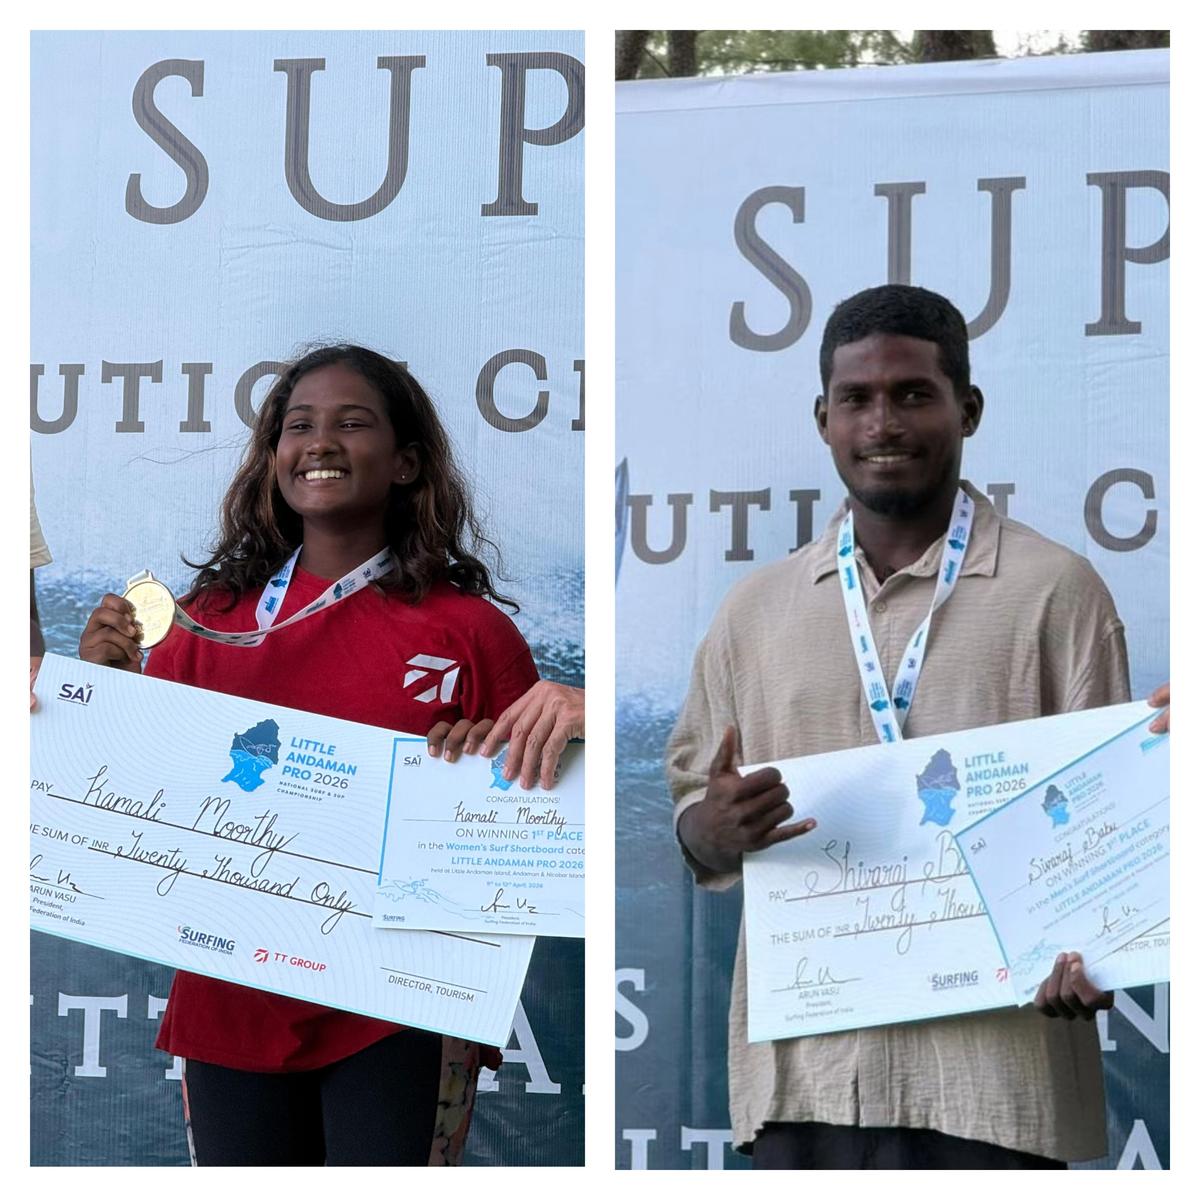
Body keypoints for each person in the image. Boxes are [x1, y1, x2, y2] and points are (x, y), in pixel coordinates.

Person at [668, 285, 1146, 1169]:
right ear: (823, 418)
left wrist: (1093, 952)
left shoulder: (1056, 591)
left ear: (968, 408)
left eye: (913, 394)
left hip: (998, 1082)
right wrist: (714, 827)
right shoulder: (754, 612)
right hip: (806, 1080)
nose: (882, 421)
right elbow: (695, 816)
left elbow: (1104, 823)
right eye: (857, 399)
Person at [78, 345, 539, 1167]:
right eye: (298, 426)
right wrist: (101, 698)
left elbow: (536, 828)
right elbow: (132, 805)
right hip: (230, 999)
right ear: (273, 459)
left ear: (406, 463)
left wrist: (497, 767)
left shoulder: (471, 633)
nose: (319, 442)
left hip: (399, 1005)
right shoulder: (202, 622)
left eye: (351, 423)